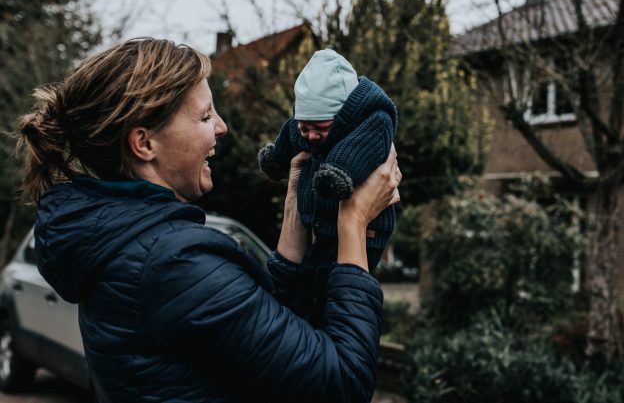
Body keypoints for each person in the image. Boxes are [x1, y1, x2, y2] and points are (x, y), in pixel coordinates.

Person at [16, 38, 401, 403]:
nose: (221, 126)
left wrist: (294, 212)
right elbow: (342, 384)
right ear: (144, 143)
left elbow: (270, 336)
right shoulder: (173, 265)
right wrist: (353, 223)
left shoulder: (128, 244)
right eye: (204, 116)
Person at [258, 49, 397, 325]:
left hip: (367, 231)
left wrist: (338, 173)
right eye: (304, 127)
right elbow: (290, 134)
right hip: (322, 228)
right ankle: (306, 322)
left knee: (335, 283)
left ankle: (325, 325)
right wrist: (277, 159)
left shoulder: (373, 123)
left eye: (319, 127)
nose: (310, 135)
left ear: (342, 114)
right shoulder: (305, 126)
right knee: (310, 274)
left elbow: (356, 150)